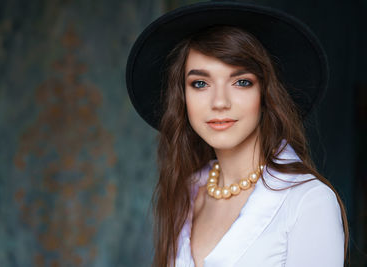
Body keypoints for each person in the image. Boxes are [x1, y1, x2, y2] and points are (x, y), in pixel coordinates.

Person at [126, 1, 348, 266]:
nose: (220, 102)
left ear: (266, 93)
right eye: (200, 83)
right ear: (182, 97)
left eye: (241, 82)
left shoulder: (308, 202)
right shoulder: (187, 191)